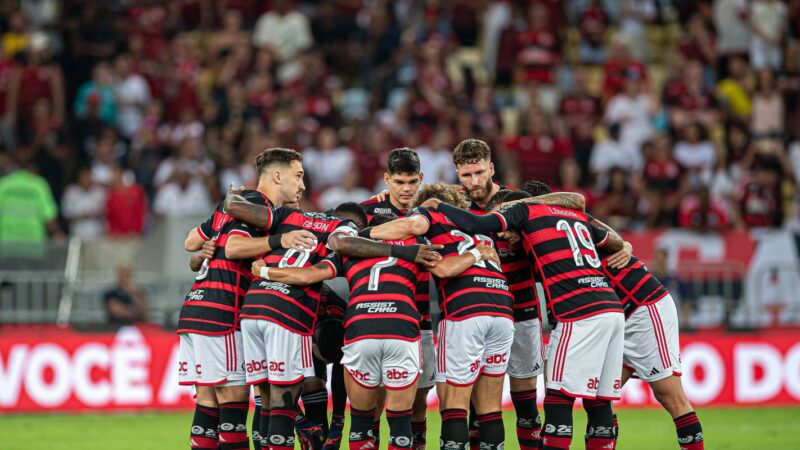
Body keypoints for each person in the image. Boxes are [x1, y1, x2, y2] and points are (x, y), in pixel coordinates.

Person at [422, 190, 627, 450]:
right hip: (611, 308)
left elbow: (477, 224)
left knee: (557, 400)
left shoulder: (524, 212)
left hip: (576, 313)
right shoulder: (577, 216)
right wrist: (626, 245)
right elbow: (615, 240)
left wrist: (436, 206)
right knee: (599, 402)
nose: (501, 233)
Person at [249, 211, 467, 450]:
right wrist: (478, 253)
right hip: (401, 329)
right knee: (400, 422)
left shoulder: (349, 250)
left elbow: (307, 275)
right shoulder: (419, 245)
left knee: (362, 422)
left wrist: (264, 272)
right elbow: (447, 270)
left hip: (361, 330)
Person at [180, 148, 316, 450]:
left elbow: (191, 241)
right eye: (298, 176)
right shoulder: (256, 205)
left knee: (207, 401)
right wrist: (279, 239)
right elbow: (234, 247)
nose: (302, 185)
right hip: (222, 310)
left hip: (196, 307)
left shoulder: (233, 205)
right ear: (277, 176)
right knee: (234, 402)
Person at [366, 183, 514, 450]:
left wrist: (361, 234)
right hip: (503, 310)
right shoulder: (480, 226)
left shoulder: (432, 222)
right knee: (490, 405)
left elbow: (443, 269)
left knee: (454, 401)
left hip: (465, 310)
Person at [360, 147, 437, 449]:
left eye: (411, 182)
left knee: (418, 399)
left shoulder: (432, 211)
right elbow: (339, 238)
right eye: (399, 182)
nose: (406, 190)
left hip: (421, 319)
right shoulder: (368, 210)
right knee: (378, 399)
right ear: (387, 179)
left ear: (420, 179)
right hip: (378, 316)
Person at [485, 189, 544, 450]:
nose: (502, 225)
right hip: (486, 319)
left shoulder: (531, 237)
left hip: (524, 317)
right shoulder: (479, 235)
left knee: (526, 406)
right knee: (482, 407)